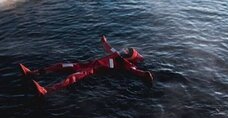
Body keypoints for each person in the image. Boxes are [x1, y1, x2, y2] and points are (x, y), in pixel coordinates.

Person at [19, 35, 154, 95]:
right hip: (85, 64)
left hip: (91, 70)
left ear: (130, 57)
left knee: (72, 78)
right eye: (127, 49)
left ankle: (46, 90)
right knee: (61, 65)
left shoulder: (125, 64)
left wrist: (145, 74)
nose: (125, 50)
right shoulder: (116, 54)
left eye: (128, 51)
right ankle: (32, 73)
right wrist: (104, 41)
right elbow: (108, 47)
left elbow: (135, 71)